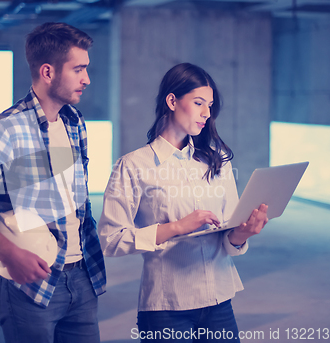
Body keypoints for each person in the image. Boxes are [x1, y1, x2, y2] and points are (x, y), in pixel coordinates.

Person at [0, 22, 106, 343]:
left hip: (82, 276)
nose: (87, 79)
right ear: (48, 72)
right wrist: (9, 254)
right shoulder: (6, 129)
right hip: (30, 284)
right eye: (78, 69)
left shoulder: (75, 122)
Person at [98, 63, 268, 342]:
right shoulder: (132, 166)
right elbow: (110, 240)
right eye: (198, 102)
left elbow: (228, 236)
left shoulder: (217, 160)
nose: (206, 113)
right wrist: (176, 227)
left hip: (220, 302)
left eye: (210, 105)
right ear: (172, 101)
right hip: (167, 307)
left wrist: (242, 234)